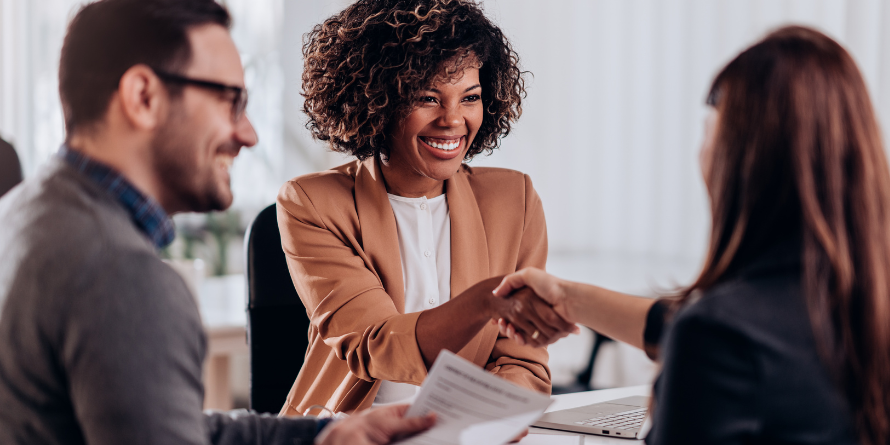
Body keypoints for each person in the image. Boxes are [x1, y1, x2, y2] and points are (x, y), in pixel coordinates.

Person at [0, 1, 434, 444]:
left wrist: (326, 435)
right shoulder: (119, 276)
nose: (248, 133)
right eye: (230, 101)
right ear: (143, 97)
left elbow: (155, 418)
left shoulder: (25, 212)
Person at [494, 26, 889, 445]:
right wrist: (569, 299)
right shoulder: (860, 305)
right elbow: (691, 327)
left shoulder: (719, 335)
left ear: (740, 156)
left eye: (712, 125)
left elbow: (713, 336)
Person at [277, 0, 575, 416]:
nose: (453, 120)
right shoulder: (312, 203)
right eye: (428, 97)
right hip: (351, 432)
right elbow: (375, 344)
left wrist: (481, 425)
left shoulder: (515, 200)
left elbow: (521, 360)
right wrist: (484, 302)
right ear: (377, 102)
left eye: (469, 97)